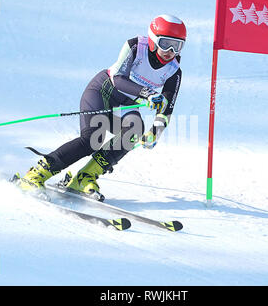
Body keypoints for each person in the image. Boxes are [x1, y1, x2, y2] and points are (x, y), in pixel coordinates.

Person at [16, 14, 186, 200]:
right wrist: (148, 93)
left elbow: (167, 107)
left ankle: (84, 177)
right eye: (165, 43)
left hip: (126, 105)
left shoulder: (174, 71)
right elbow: (118, 79)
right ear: (153, 39)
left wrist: (157, 130)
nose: (170, 51)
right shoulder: (136, 47)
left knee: (135, 131)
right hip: (102, 92)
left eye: (177, 46)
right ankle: (37, 173)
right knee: (92, 139)